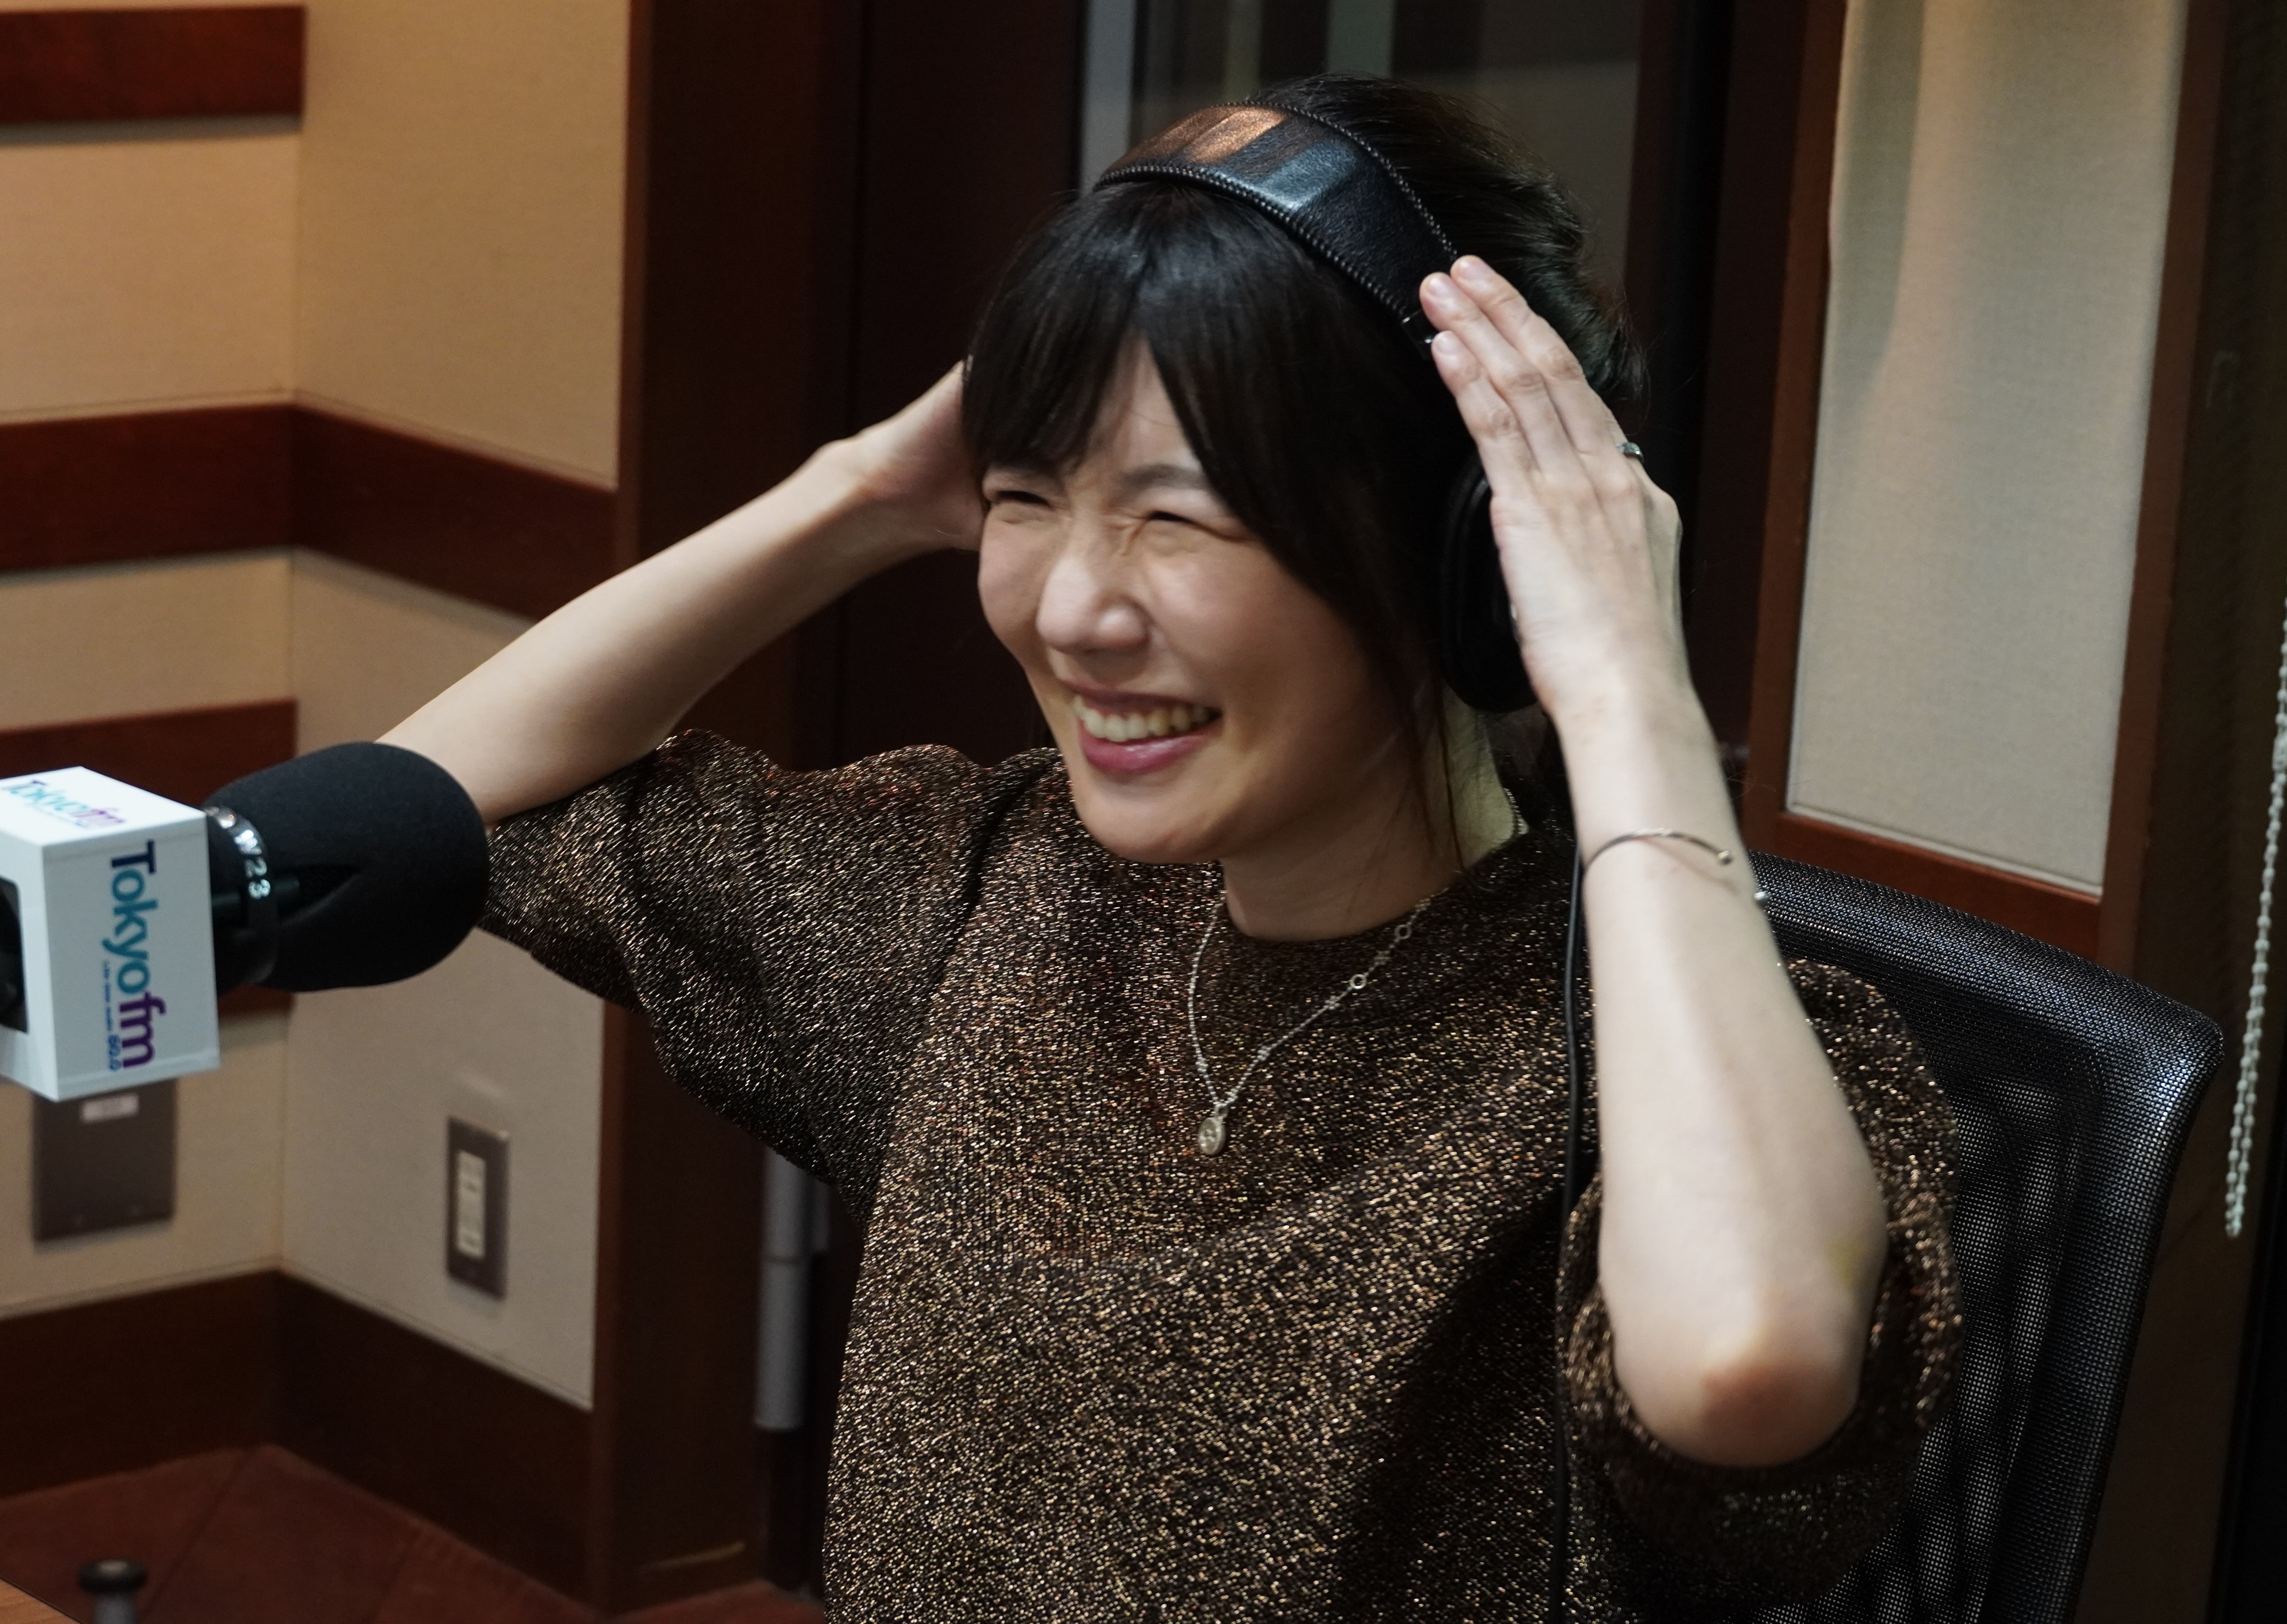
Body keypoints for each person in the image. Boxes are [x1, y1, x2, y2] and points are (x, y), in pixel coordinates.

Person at [384, 74, 1957, 1623]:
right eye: (1026, 498)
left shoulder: (1655, 1072)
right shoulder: (992, 896)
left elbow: (1744, 1363)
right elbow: (441, 808)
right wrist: (852, 494)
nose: (1075, 610)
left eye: (1178, 515)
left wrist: (1625, 684)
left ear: (1466, 558)